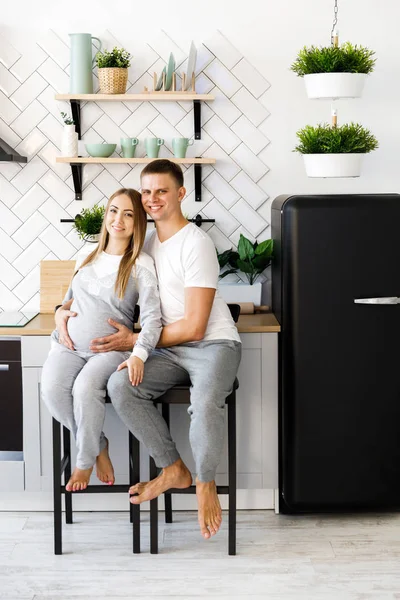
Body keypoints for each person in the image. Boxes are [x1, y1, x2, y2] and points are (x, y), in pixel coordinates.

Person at [106, 159, 242, 540]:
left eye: (161, 191)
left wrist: (136, 341)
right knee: (121, 387)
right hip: (171, 349)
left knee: (206, 403)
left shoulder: (196, 243)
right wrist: (67, 310)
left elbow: (196, 325)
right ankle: (173, 469)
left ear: (180, 194)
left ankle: (205, 483)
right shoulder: (146, 243)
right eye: (146, 191)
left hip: (214, 344)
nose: (152, 199)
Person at [41, 188, 162, 492]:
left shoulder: (140, 264)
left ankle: (84, 461)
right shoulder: (88, 256)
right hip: (68, 346)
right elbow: (66, 303)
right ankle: (99, 445)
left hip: (108, 352)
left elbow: (152, 319)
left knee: (84, 389)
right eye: (113, 210)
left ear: (138, 223)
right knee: (53, 391)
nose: (117, 219)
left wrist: (139, 353)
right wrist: (58, 316)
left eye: (128, 213)